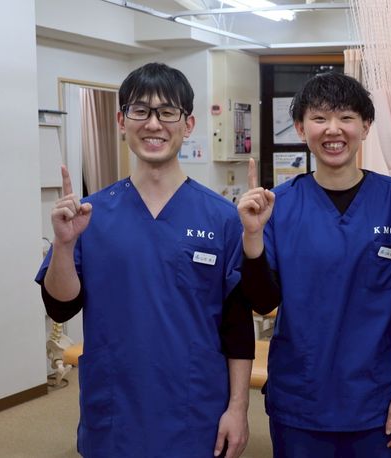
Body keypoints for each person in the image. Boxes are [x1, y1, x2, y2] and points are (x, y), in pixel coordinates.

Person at [36, 63, 253, 458]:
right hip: (116, 404)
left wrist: (238, 408)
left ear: (188, 124)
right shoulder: (91, 215)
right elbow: (60, 306)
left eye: (167, 112)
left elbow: (237, 326)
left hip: (195, 405)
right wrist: (64, 246)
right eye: (140, 111)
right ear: (122, 121)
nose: (154, 124)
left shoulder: (222, 218)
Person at [237, 72, 391, 457]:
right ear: (300, 127)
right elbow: (263, 301)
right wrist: (252, 236)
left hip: (374, 398)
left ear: (366, 126)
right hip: (301, 398)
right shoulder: (279, 204)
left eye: (346, 117)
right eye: (320, 118)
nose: (333, 129)